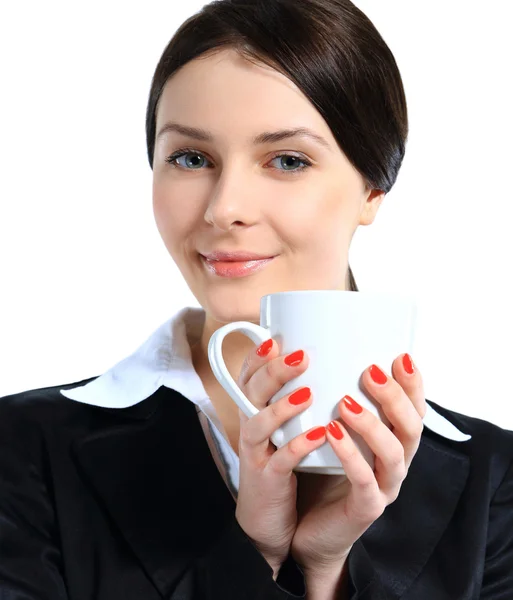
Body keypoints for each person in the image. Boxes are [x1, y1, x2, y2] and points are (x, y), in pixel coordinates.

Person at [1, 0, 512, 598]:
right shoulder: (22, 449)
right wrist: (252, 556)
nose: (224, 208)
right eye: (191, 158)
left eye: (287, 161)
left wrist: (327, 572)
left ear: (373, 188)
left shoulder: (494, 482)